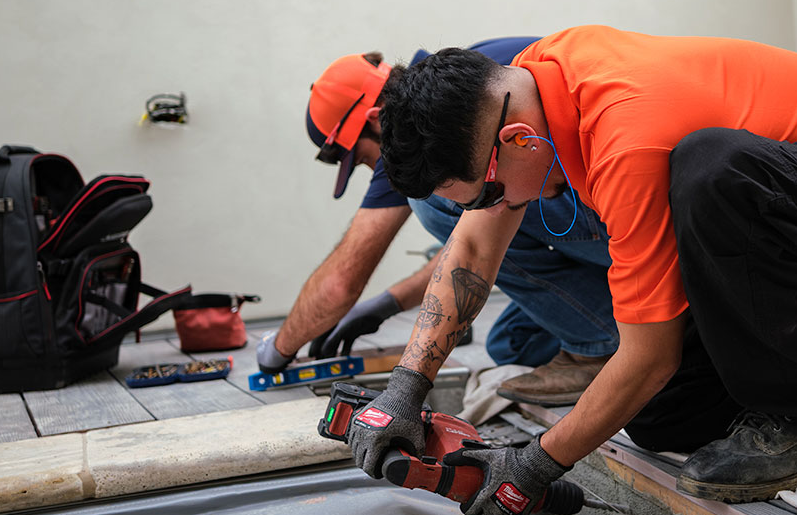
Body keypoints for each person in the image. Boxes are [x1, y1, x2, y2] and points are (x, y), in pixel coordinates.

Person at [346, 25, 797, 515]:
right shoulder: (532, 82)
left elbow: (649, 356)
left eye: (491, 193)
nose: (501, 209)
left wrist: (533, 463)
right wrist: (405, 389)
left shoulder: (625, 135)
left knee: (709, 171)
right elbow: (469, 253)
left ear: (517, 141)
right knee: (666, 416)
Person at [256, 38, 619, 407]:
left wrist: (278, 350)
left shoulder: (430, 128)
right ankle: (627, 327)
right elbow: (469, 242)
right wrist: (387, 305)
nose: (373, 169)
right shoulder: (469, 69)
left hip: (618, 210)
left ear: (375, 120)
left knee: (431, 198)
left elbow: (341, 284)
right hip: (598, 207)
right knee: (512, 343)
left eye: (362, 158)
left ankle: (599, 346)